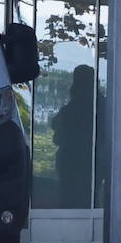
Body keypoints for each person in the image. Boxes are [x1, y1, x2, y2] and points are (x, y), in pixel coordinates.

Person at [52, 65, 97, 208]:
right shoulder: (98, 103)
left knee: (75, 198)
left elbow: (57, 126)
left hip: (82, 162)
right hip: (77, 162)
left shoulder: (78, 107)